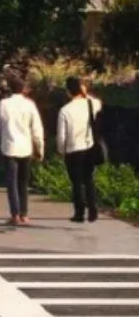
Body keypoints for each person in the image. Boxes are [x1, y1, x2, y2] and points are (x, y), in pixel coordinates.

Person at [0, 73, 44, 226]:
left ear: (10, 89)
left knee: (11, 182)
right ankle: (24, 214)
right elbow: (37, 130)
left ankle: (15, 215)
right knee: (23, 183)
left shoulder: (3, 104)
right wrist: (40, 149)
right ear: (24, 89)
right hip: (26, 148)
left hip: (9, 148)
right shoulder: (29, 105)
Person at [57, 75, 103, 223]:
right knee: (89, 179)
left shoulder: (65, 110)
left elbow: (61, 136)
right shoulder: (91, 104)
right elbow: (99, 103)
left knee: (76, 182)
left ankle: (79, 213)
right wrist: (85, 92)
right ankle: (93, 210)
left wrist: (61, 150)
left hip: (72, 149)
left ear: (67, 92)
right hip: (89, 146)